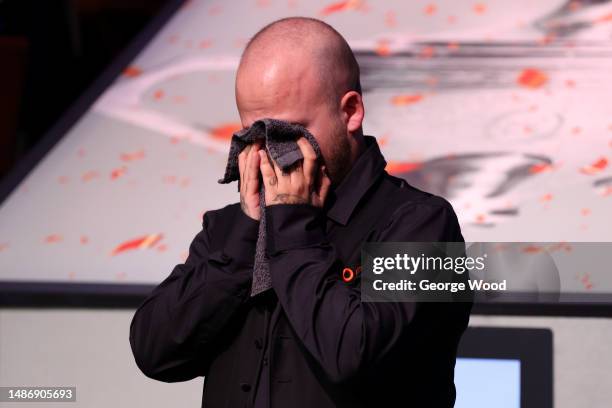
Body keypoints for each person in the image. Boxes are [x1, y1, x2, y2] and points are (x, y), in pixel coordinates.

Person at [129, 16, 472, 408]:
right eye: (254, 135)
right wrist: (246, 234)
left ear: (351, 111)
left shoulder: (425, 225)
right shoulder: (231, 228)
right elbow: (154, 352)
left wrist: (293, 226)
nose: (274, 154)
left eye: (289, 133)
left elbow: (355, 354)